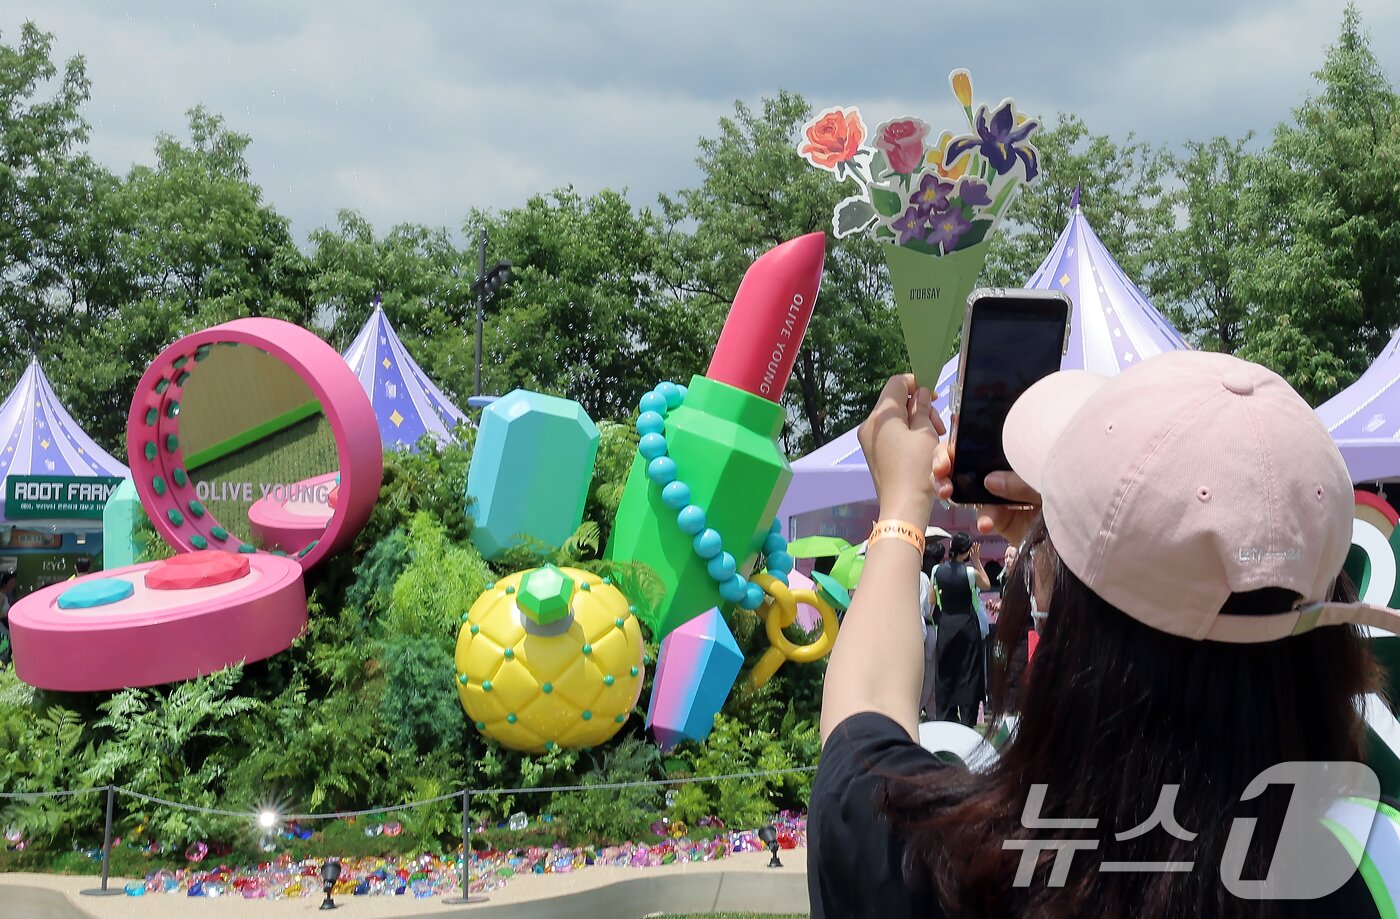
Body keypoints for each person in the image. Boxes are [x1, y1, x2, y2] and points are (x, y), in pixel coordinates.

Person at [809, 353, 1400, 917]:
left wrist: (902, 508)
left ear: (1079, 648)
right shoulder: (1378, 866)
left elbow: (864, 717)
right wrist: (1066, 554)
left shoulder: (950, 871)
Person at [931, 531, 989, 726]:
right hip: (966, 627)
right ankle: (967, 717)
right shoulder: (970, 573)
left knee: (946, 672)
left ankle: (946, 715)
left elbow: (932, 600)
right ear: (966, 552)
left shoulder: (936, 571)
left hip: (946, 626)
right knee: (968, 672)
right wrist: (977, 561)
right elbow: (987, 584)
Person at [918, 542, 945, 719]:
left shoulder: (908, 574)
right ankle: (924, 711)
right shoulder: (926, 578)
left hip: (913, 629)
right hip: (926, 628)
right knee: (928, 676)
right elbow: (928, 610)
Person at [0, 571, 15, 668]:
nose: (14, 586)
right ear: (5, 584)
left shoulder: (5, 597)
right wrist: (9, 613)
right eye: (12, 583)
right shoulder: (1, 597)